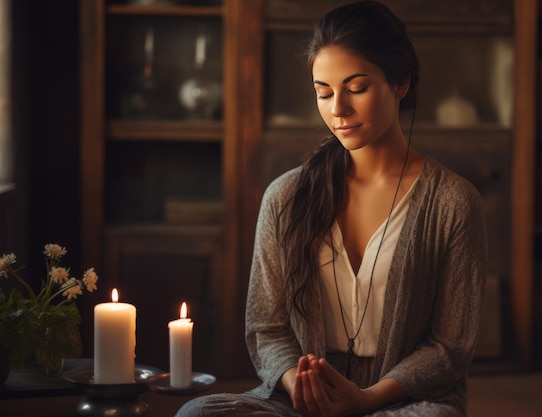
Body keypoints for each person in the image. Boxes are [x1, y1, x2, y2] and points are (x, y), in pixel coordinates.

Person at [175, 1, 487, 416]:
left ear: (400, 83)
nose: (337, 108)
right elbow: (266, 327)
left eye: (356, 88)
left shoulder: (452, 202)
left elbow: (450, 346)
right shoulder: (286, 197)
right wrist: (301, 387)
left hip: (405, 400)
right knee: (198, 414)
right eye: (324, 92)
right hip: (303, 399)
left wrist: (367, 398)